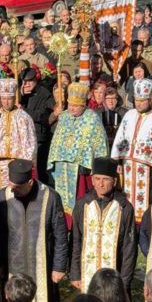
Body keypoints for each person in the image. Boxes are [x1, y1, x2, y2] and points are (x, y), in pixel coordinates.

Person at [0, 159, 67, 302]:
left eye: (17, 187)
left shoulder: (50, 198)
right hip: (13, 266)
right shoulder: (3, 196)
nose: (12, 190)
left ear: (29, 182)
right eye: (11, 185)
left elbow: (60, 235)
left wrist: (59, 267)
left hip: (44, 267)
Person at [69, 156, 137, 295]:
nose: (101, 184)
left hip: (115, 276)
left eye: (105, 179)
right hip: (87, 275)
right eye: (97, 179)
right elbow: (76, 240)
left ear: (114, 181)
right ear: (92, 180)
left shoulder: (124, 207)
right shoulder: (83, 204)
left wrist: (124, 281)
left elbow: (129, 248)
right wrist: (75, 273)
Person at [111, 78, 152, 224]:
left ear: (149, 100)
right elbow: (121, 140)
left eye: (143, 100)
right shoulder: (128, 115)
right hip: (127, 169)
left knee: (147, 205)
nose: (139, 104)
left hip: (148, 171)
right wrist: (117, 161)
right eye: (137, 100)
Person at [48, 82, 109, 227]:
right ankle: (64, 227)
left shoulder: (92, 118)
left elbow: (99, 145)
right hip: (63, 169)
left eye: (75, 106)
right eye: (70, 105)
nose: (71, 108)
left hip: (81, 170)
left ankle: (79, 228)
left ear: (83, 105)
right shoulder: (64, 117)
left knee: (81, 203)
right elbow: (57, 141)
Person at [0, 78, 36, 189]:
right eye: (4, 98)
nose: (7, 102)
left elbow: (30, 143)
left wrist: (25, 163)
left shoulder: (24, 117)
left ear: (14, 98)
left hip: (17, 165)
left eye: (10, 98)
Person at [19, 68, 54, 183]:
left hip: (39, 137)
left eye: (29, 81)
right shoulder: (21, 93)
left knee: (40, 171)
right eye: (24, 81)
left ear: (35, 80)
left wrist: (24, 110)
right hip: (23, 137)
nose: (26, 84)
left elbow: (44, 116)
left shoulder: (44, 93)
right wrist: (21, 95)